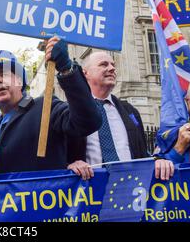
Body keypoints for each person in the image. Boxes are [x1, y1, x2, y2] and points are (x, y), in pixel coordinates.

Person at [0, 37, 102, 174]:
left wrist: (67, 71)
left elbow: (87, 121)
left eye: (5, 75)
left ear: (20, 81)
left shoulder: (44, 107)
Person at [66, 51, 174, 181]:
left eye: (113, 65)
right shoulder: (71, 112)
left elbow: (142, 153)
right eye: (104, 64)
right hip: (89, 189)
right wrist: (70, 164)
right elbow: (59, 154)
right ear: (85, 73)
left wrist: (157, 160)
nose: (112, 69)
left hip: (130, 187)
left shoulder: (130, 111)